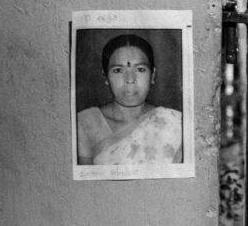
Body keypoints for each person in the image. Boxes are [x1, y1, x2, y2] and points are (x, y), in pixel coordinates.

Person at [77, 33, 183, 165]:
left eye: (140, 69)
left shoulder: (176, 124)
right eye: (117, 70)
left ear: (153, 75)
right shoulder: (85, 123)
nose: (130, 79)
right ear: (105, 77)